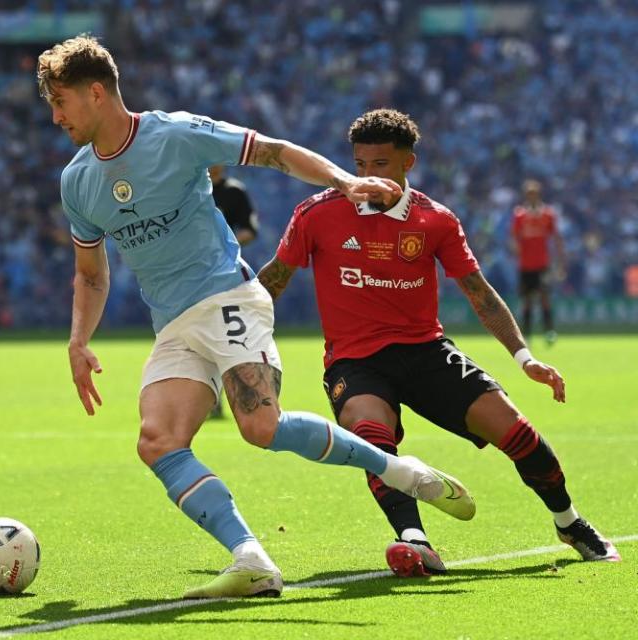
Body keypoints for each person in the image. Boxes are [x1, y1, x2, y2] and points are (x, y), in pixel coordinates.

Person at [37, 36, 475, 599]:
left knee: (260, 428)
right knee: (157, 440)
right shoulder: (77, 181)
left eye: (61, 102)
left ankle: (400, 471)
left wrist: (345, 183)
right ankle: (252, 560)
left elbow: (272, 150)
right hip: (173, 324)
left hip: (228, 298)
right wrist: (78, 341)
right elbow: (92, 274)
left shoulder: (175, 134)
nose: (55, 117)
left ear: (96, 93)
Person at [257, 108, 619, 577]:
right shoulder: (317, 213)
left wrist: (524, 358)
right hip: (354, 360)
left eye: (380, 165)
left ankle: (569, 523)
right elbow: (273, 280)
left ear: (408, 163)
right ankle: (414, 540)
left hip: (427, 351)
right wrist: (229, 333)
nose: (366, 177)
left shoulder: (436, 220)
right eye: (359, 165)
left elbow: (479, 292)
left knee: (515, 430)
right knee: (370, 433)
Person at [207, 164, 259, 419]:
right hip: (190, 274)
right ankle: (208, 398)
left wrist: (225, 246)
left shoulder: (234, 192)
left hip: (225, 275)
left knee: (229, 335)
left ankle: (243, 396)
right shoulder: (188, 188)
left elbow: (250, 228)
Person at [511, 179, 565, 344]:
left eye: (534, 194)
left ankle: (549, 330)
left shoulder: (548, 214)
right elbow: (513, 237)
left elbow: (556, 238)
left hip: (542, 264)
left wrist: (560, 262)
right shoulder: (520, 215)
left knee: (544, 297)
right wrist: (515, 248)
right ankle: (527, 334)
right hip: (526, 265)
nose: (531, 197)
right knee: (527, 300)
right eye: (529, 194)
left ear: (538, 195)